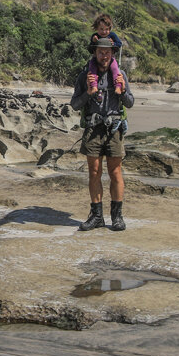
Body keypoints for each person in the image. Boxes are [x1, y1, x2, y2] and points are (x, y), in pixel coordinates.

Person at [70, 34, 134, 231]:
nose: (104, 55)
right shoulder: (85, 76)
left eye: (107, 52)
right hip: (93, 129)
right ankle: (97, 216)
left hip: (114, 129)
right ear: (95, 53)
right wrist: (88, 93)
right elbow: (74, 104)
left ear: (112, 53)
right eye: (100, 52)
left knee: (115, 172)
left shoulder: (120, 74)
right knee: (94, 173)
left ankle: (117, 217)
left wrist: (121, 90)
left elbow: (130, 102)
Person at [87, 13, 125, 95]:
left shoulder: (112, 35)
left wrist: (113, 44)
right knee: (92, 68)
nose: (104, 32)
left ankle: (118, 86)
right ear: (97, 28)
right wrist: (93, 41)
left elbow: (119, 43)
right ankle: (93, 86)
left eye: (107, 29)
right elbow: (90, 47)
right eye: (101, 29)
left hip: (111, 59)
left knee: (115, 69)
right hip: (95, 58)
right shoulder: (95, 36)